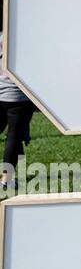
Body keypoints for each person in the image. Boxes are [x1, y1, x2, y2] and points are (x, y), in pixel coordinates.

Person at [0, 31, 36, 193]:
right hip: (19, 96)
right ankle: (6, 181)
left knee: (13, 139)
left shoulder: (2, 36)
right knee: (13, 139)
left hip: (1, 93)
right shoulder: (27, 38)